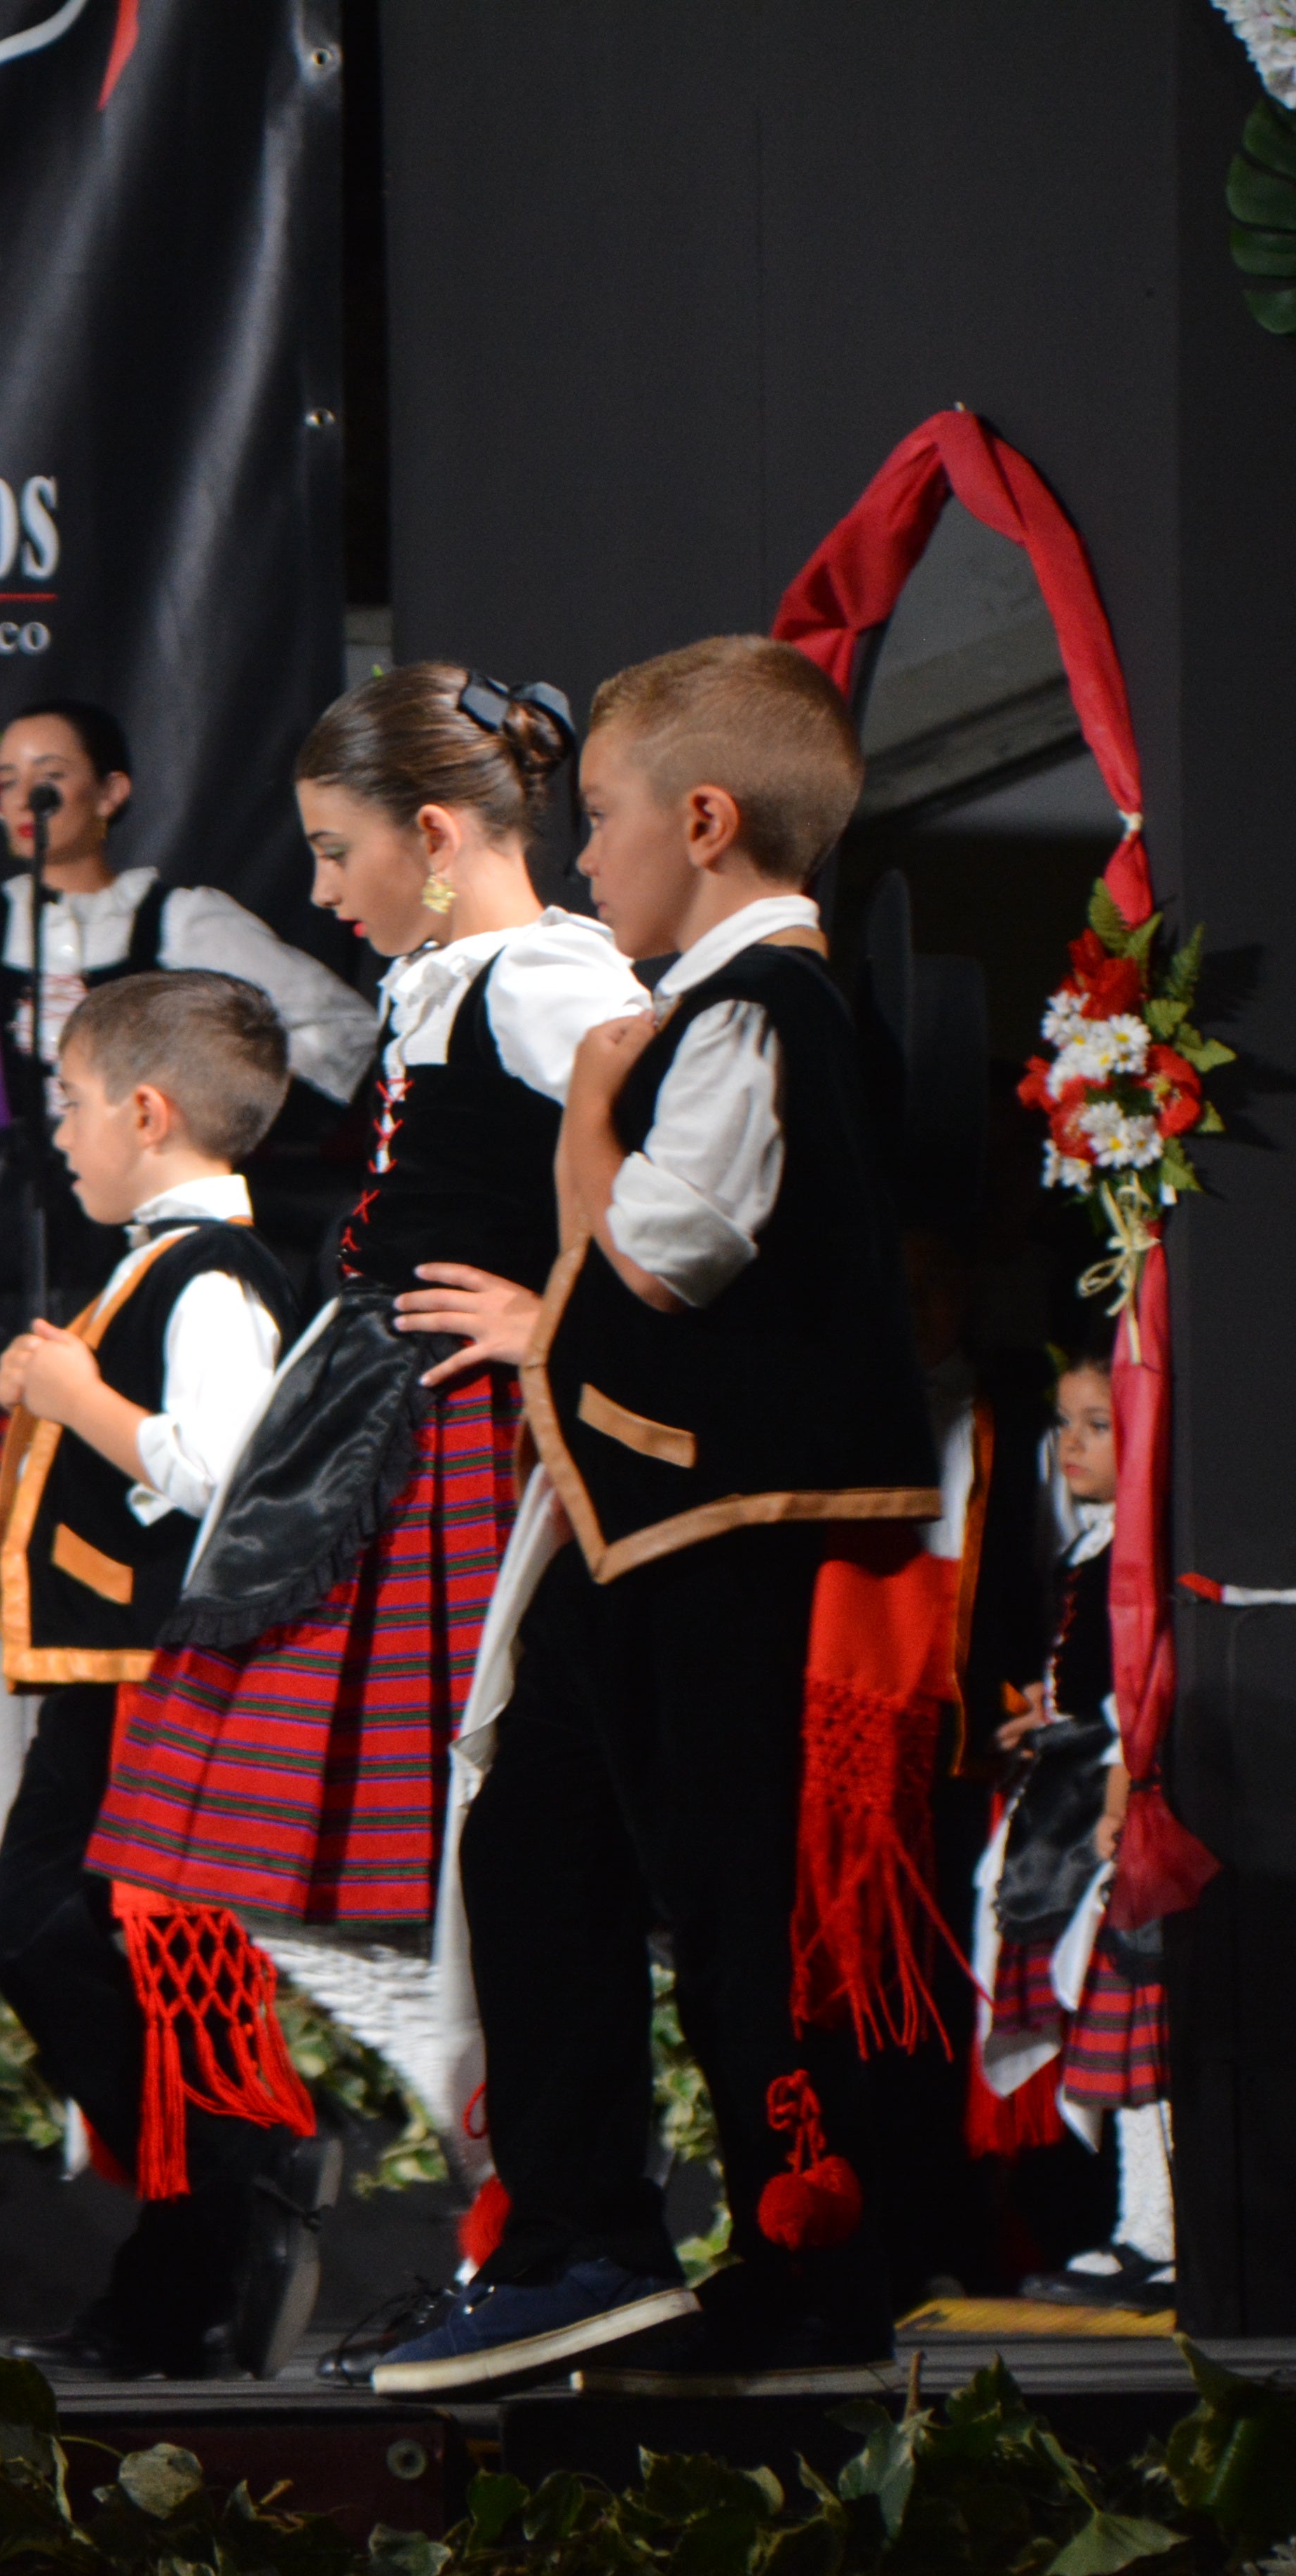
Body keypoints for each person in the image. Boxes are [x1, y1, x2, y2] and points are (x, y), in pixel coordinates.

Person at [376, 636, 937, 2397]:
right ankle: (577, 2231)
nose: (586, 851)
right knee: (542, 1841)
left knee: (739, 1896)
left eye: (603, 816)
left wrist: (585, 1129)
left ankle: (798, 2253)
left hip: (728, 1540)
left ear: (704, 820)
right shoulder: (720, 1006)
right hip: (646, 1529)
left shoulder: (760, 1010)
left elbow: (668, 1247)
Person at [90, 669, 642, 2147]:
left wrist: (553, 1322)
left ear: (441, 833)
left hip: (454, 1448)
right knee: (283, 1847)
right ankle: (499, 2171)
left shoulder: (547, 977)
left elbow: (689, 1175)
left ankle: (522, 2178)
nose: (322, 888)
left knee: (449, 1847)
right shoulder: (452, 978)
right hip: (378, 1432)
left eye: (339, 850)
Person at [0, 699, 378, 1867]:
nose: (26, 799)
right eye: (6, 778)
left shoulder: (177, 918)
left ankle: (136, 1837)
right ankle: (13, 1841)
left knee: (122, 1536)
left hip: (129, 1251)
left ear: (111, 792)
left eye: (53, 776)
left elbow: (337, 1031)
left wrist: (216, 1111)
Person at [0, 971, 327, 2378]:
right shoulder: (160, 1260)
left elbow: (224, 1470)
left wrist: (79, 1398)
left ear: (147, 1109)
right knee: (46, 1929)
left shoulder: (211, 1277)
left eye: (68, 1103)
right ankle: (200, 2229)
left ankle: (240, 2173)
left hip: (157, 1674)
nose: (57, 1133)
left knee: (55, 1928)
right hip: (108, 1668)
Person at [967, 1351, 1173, 2303]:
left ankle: (1163, 2235)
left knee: (1140, 2029)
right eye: (1066, 1422)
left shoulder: (1149, 1550)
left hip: (1125, 1820)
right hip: (1079, 1810)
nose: (1074, 1442)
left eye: (1098, 1422)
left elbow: (1144, 1687)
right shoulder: (1084, 1549)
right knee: (1105, 2032)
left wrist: (1125, 1781)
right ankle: (1138, 2229)